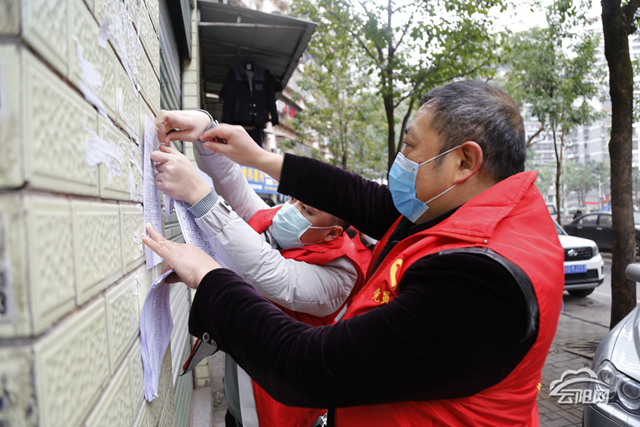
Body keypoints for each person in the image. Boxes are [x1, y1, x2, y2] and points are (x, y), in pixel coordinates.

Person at [143, 80, 565, 426]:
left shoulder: (482, 282)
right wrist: (257, 156)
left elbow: (307, 366)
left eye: (410, 147)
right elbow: (361, 198)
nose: (400, 161)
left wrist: (210, 279)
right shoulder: (460, 210)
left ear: (464, 162)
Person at [151, 112, 364, 427]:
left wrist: (199, 196)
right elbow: (237, 191)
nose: (290, 211)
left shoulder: (341, 274)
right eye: (293, 199)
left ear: (333, 233)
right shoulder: (283, 226)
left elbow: (271, 273)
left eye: (307, 210)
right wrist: (207, 133)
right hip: (240, 406)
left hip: (279, 418)